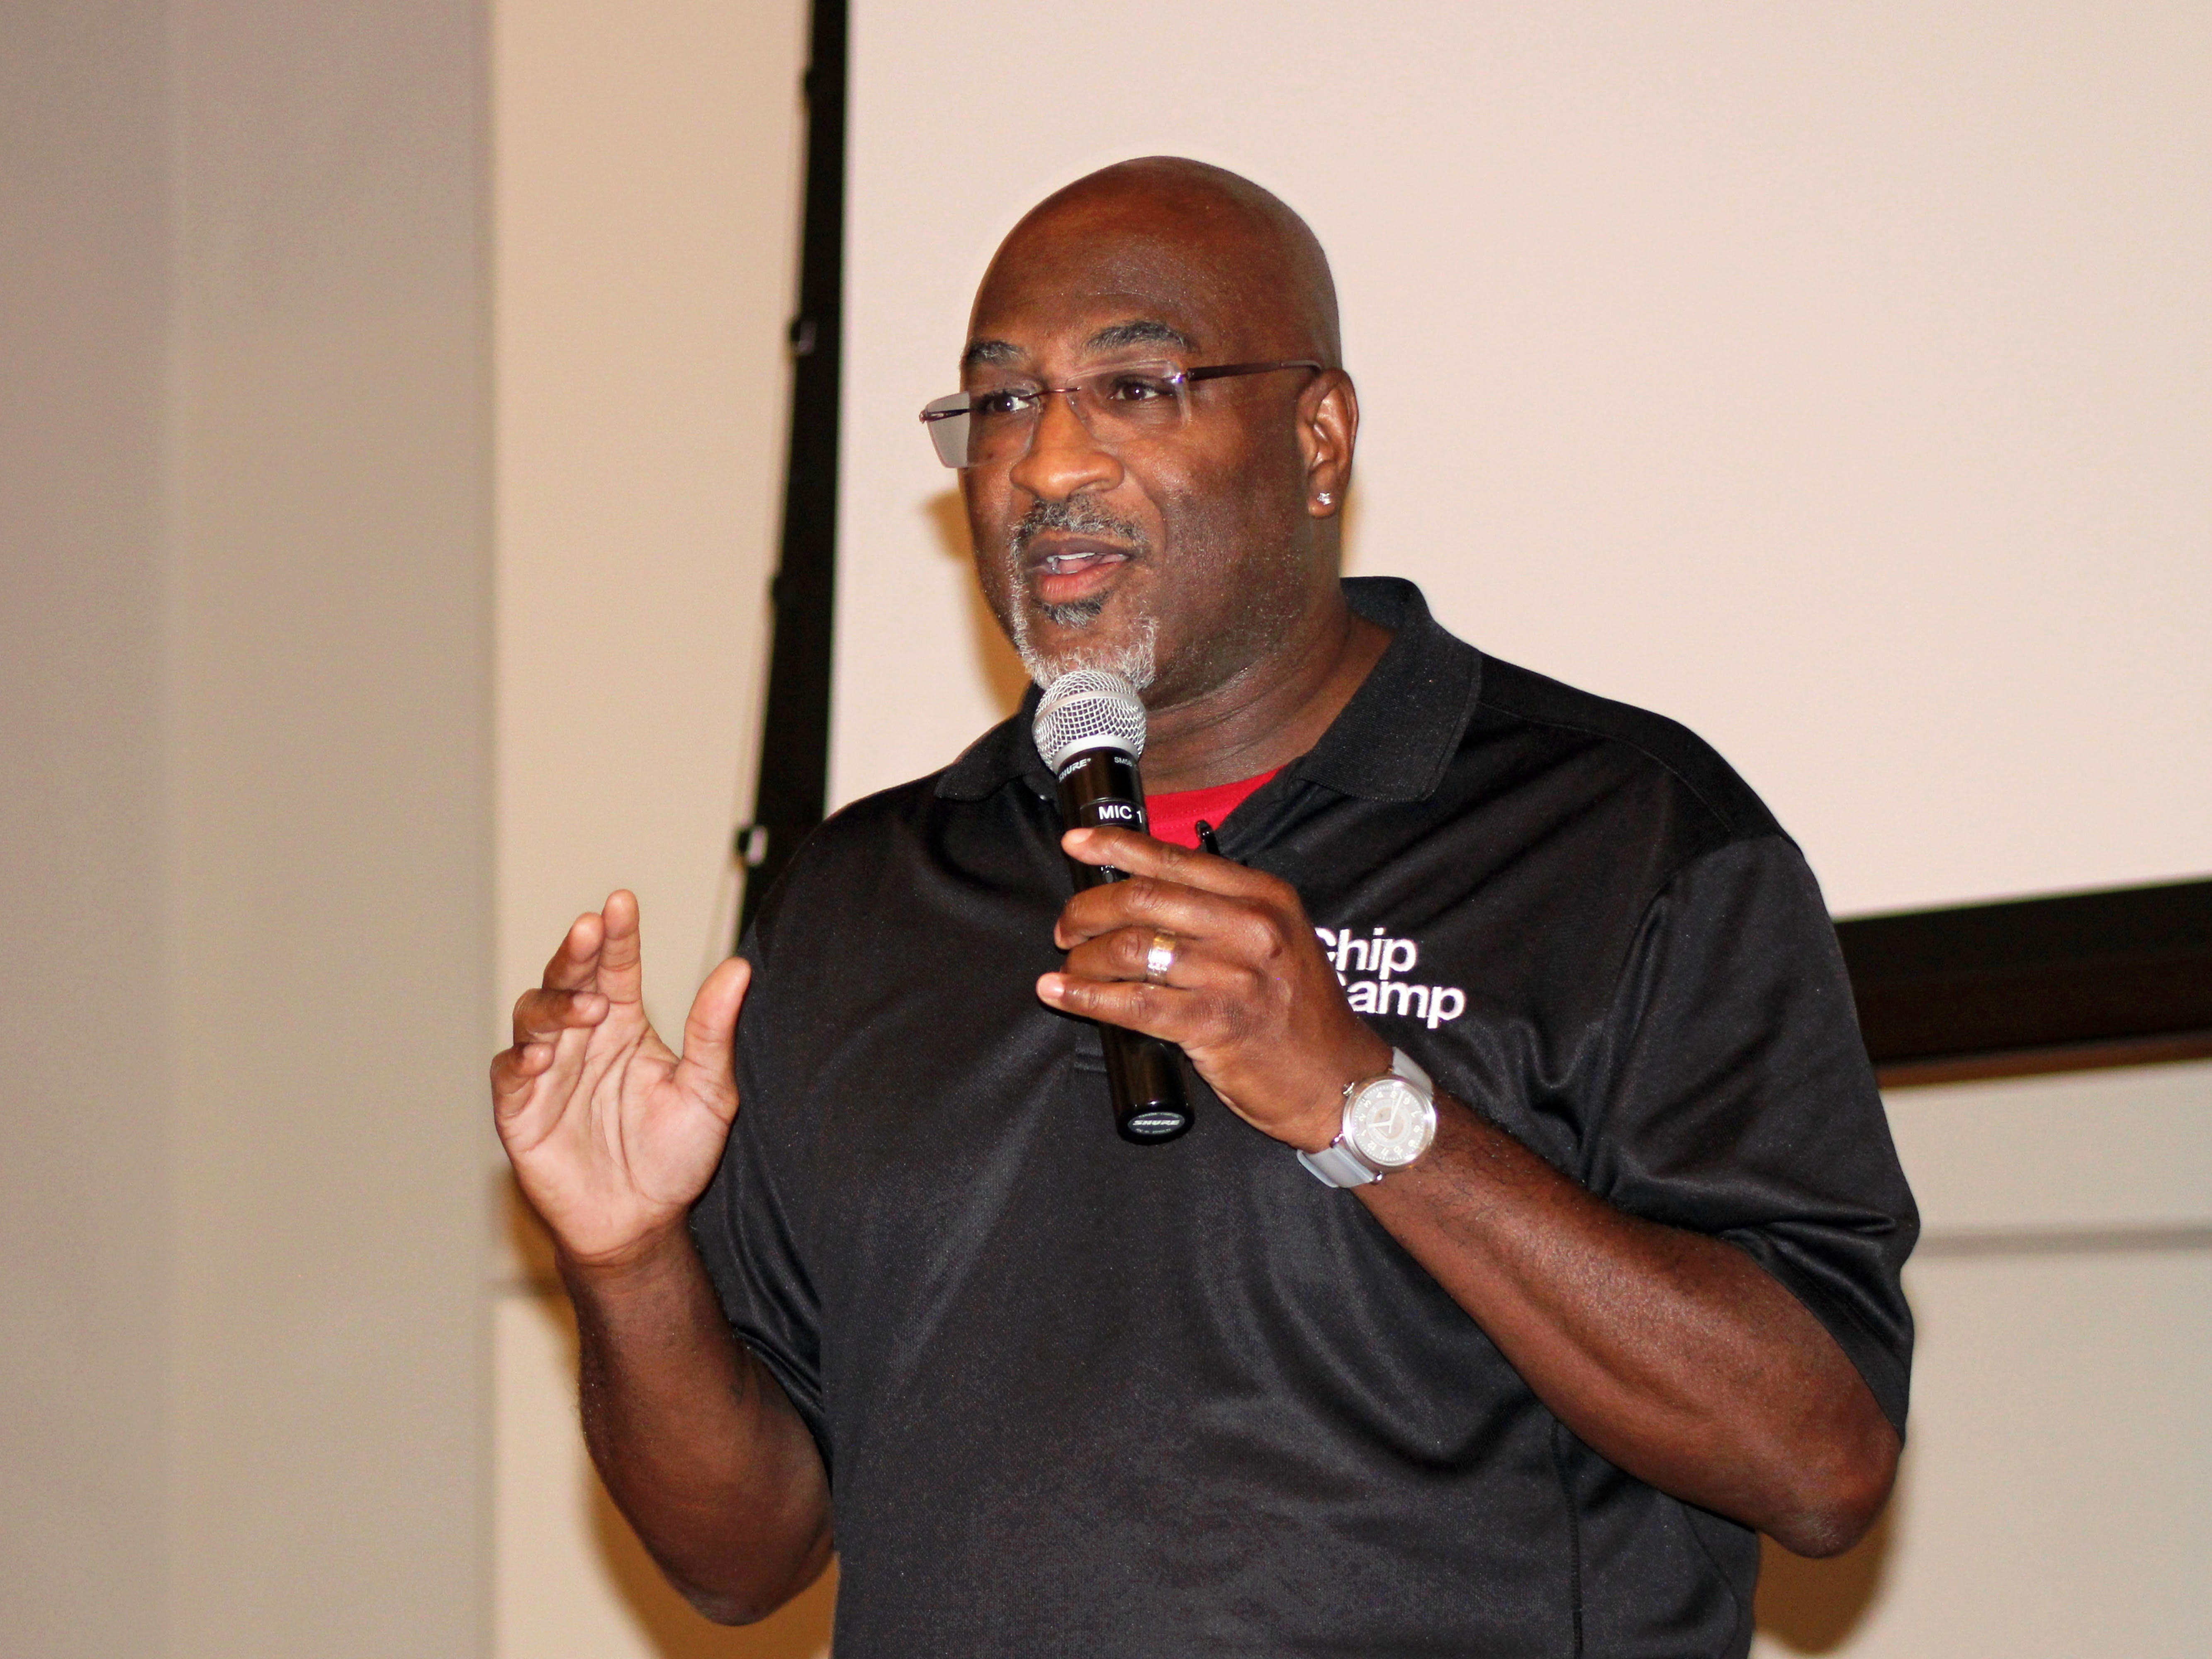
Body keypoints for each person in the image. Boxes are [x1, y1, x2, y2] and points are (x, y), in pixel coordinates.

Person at [491, 157, 1916, 1657]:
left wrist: (1368, 1104)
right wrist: (628, 1259)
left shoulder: (1620, 834)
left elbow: (1817, 1461)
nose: (1046, 467)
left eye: (1137, 388)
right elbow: (742, 1553)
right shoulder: (863, 903)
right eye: (1002, 404)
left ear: (1318, 436)